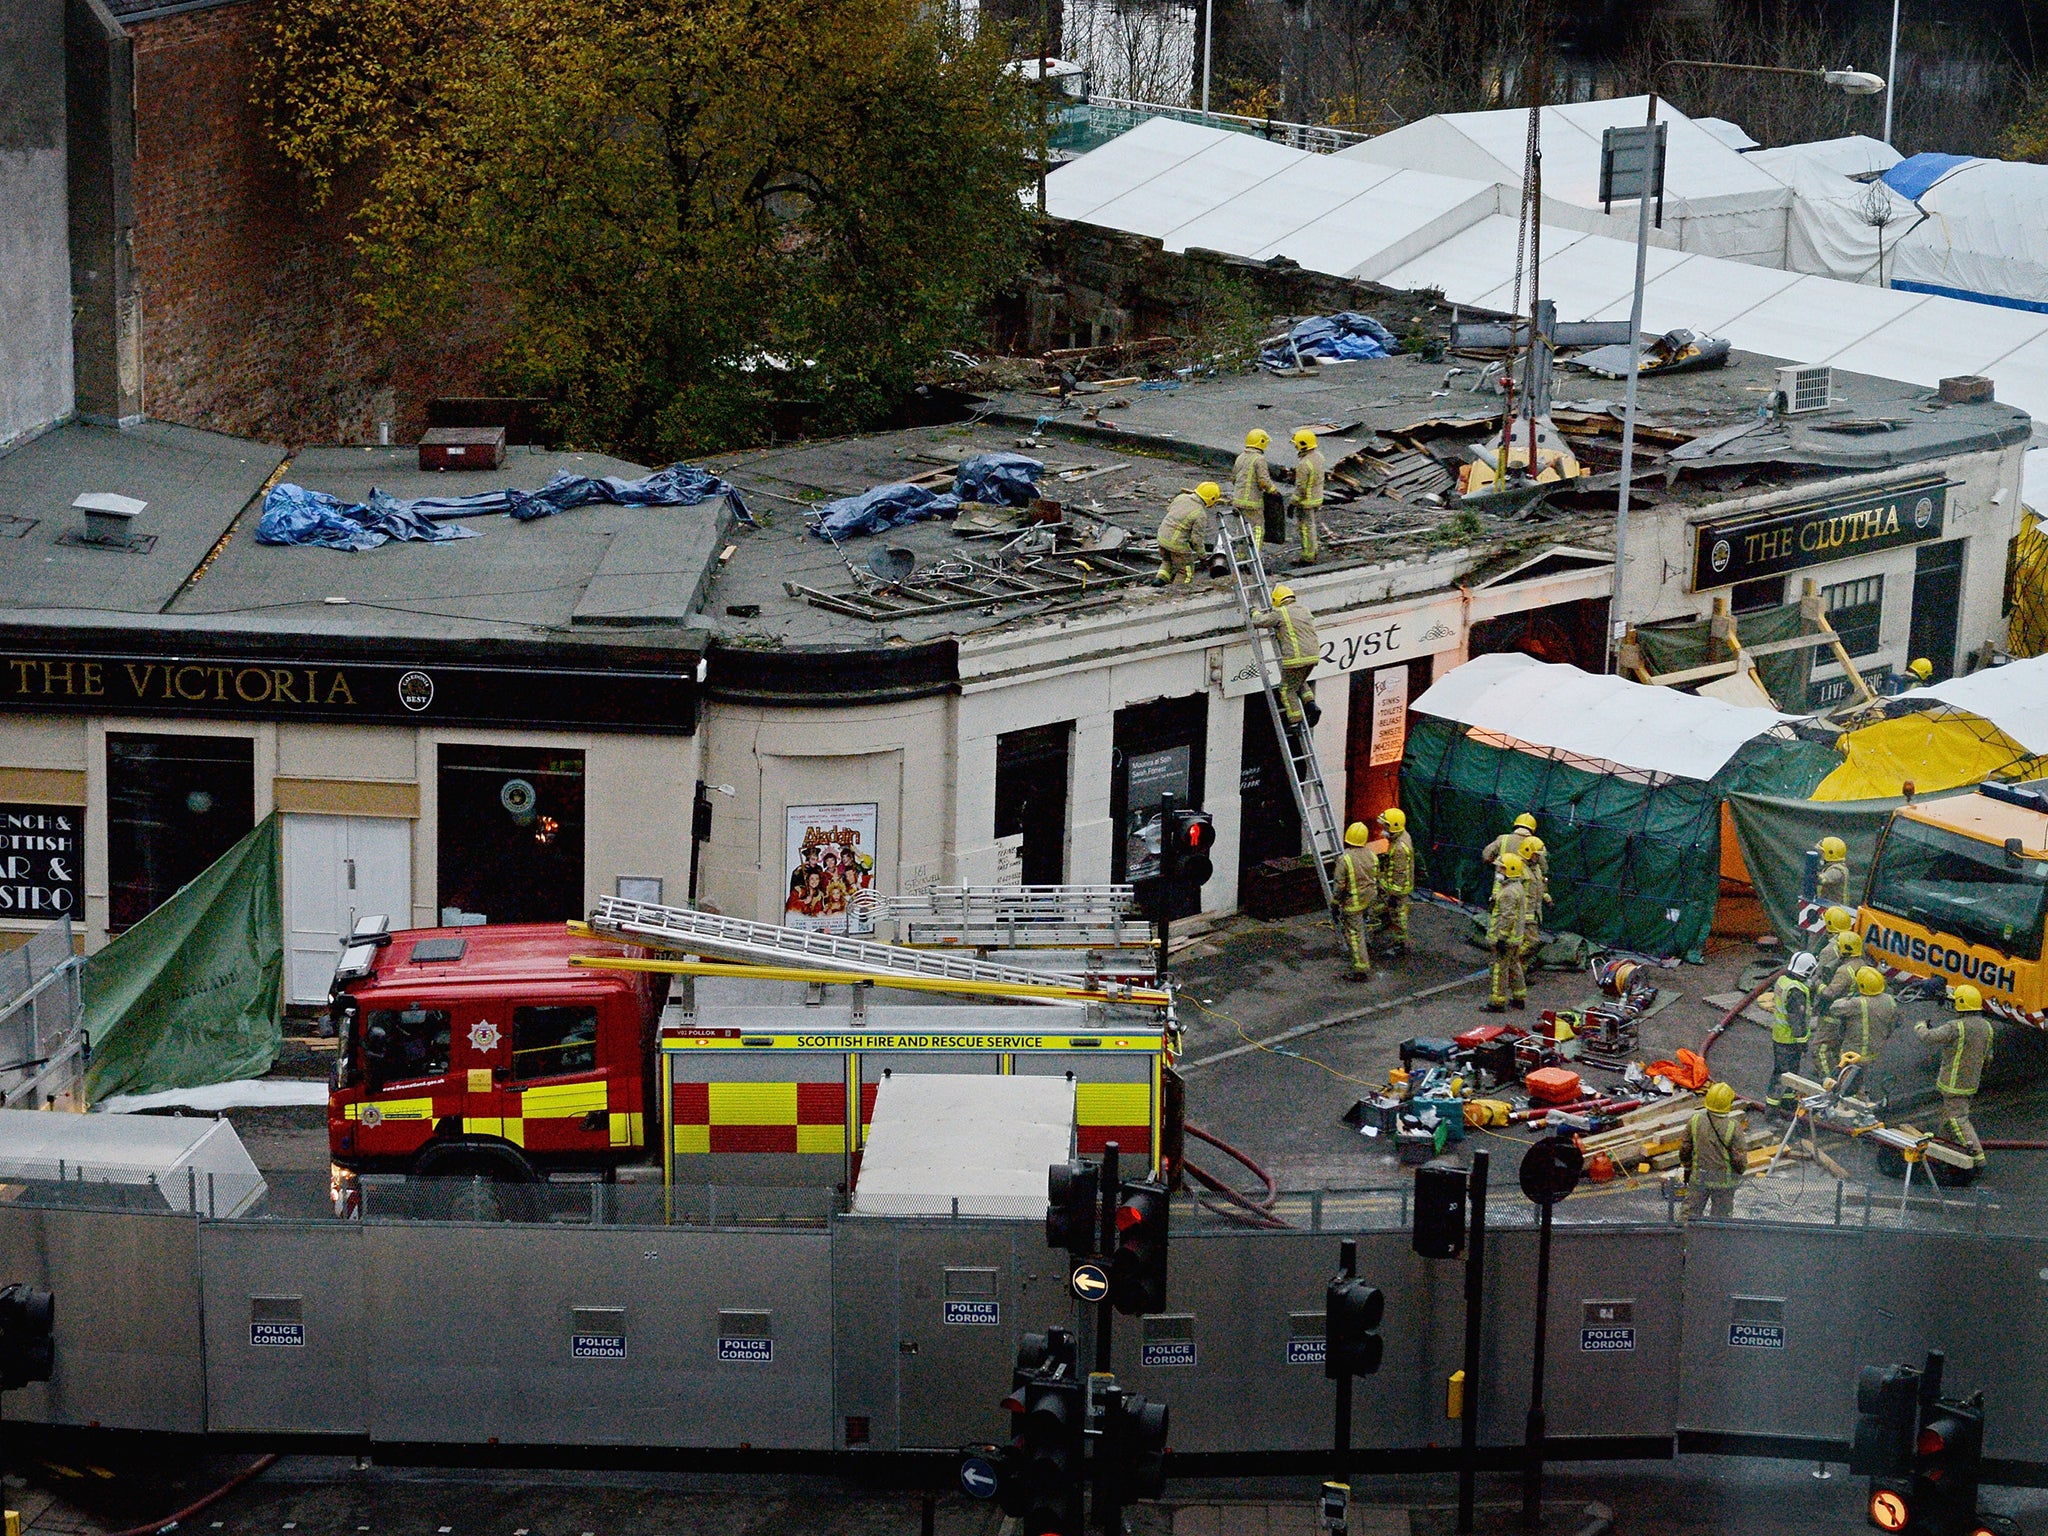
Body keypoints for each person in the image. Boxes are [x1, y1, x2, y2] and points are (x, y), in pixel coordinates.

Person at [1915, 982, 1993, 1168]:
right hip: (1971, 1083)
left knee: (1958, 1119)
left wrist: (1920, 1026)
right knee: (1949, 1115)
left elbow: (1928, 1037)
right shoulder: (1987, 1027)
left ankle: (1977, 1156)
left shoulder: (1955, 1027)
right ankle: (1943, 1143)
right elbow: (1988, 1058)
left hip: (1953, 1083)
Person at [1251, 584, 1321, 726]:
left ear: (1277, 600)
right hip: (1313, 656)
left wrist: (1254, 612)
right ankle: (1311, 705)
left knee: (1286, 689)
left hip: (1296, 658)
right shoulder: (1304, 610)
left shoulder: (1281, 612)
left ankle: (1295, 721)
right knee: (1298, 682)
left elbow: (1259, 622)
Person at [1679, 1081, 1746, 1221]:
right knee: (1721, 1220)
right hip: (1724, 1181)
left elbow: (1685, 1148)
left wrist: (1687, 1166)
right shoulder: (1733, 1127)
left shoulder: (1695, 1120)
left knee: (1689, 1216)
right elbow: (1739, 1159)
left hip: (1699, 1178)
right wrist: (1739, 1172)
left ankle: (1684, 1240)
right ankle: (1715, 1241)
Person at [1817, 964, 1897, 1079]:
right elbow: (1895, 1022)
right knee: (1859, 1077)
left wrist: (1849, 997)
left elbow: (1835, 1008)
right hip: (1874, 1050)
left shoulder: (1858, 1003)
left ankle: (1853, 1095)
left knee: (1847, 1082)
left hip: (1854, 1052)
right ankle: (1859, 1093)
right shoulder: (1889, 1000)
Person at [1483, 851, 1536, 1013]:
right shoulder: (1516, 887)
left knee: (1499, 969)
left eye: (1501, 869)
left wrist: (1501, 938)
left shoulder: (1508, 893)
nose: (1498, 871)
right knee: (1514, 966)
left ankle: (1497, 1002)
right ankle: (1519, 997)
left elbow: (1507, 917)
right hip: (1515, 938)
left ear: (1511, 870)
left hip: (1506, 939)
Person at [1768, 950, 1818, 1107]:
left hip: (1780, 1036)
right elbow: (1797, 1020)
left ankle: (1788, 1101)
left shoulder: (1783, 980)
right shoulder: (1796, 991)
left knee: (1791, 1073)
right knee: (1782, 1075)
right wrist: (1802, 1042)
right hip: (1789, 1040)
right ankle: (1772, 1109)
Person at [1154, 482, 1220, 586]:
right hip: (1177, 545)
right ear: (1211, 499)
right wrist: (1203, 557)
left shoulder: (1182, 497)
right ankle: (1177, 592)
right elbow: (1196, 539)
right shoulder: (1200, 514)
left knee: (1167, 561)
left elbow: (1171, 511)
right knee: (1186, 571)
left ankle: (1159, 581)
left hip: (1162, 537)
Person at [1335, 822, 1378, 981]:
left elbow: (1340, 885)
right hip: (1369, 898)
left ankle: (1360, 970)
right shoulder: (1372, 855)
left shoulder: (1345, 858)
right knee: (1362, 926)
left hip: (1353, 902)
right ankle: (1368, 948)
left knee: (1354, 934)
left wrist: (1335, 902)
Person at [1371, 806, 1414, 956]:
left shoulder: (1400, 849)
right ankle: (1386, 924)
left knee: (1398, 915)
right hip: (1392, 887)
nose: (1383, 829)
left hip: (1397, 890)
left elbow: (1400, 873)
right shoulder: (1400, 838)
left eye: (1385, 826)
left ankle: (1399, 944)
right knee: (1381, 908)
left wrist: (1394, 895)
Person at [1234, 429, 1284, 548]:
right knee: (1257, 529)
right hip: (1252, 502)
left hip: (1237, 500)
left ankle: (1241, 557)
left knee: (1241, 529)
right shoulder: (1259, 459)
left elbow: (1233, 478)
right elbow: (1263, 481)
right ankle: (1254, 557)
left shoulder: (1240, 457)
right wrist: (1274, 491)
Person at [1289, 428, 1326, 564]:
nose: (1295, 446)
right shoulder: (1319, 457)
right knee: (1311, 526)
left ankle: (1307, 557)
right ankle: (1313, 551)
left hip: (1306, 501)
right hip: (1317, 497)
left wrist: (1293, 503)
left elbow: (1301, 488)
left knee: (1305, 528)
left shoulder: (1304, 464)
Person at [1816, 928, 1866, 1004]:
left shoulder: (1843, 971)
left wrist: (1818, 983)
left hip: (1840, 1005)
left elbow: (1829, 994)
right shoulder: (1862, 963)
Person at [1813, 836, 1850, 913]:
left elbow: (1822, 879)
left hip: (1836, 912)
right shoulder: (1831, 867)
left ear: (1830, 853)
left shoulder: (1837, 870)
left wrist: (1811, 872)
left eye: (1823, 852)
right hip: (1829, 908)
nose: (1821, 855)